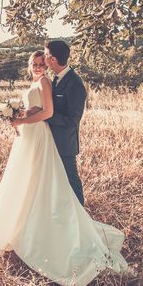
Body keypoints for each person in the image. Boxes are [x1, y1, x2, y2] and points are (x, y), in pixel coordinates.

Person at [0, 50, 128, 286]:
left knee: (43, 180)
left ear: (49, 63)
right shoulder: (39, 81)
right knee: (28, 179)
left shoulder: (44, 82)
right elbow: (37, 109)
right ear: (29, 64)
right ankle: (19, 219)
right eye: (36, 63)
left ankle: (54, 223)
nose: (40, 66)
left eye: (43, 63)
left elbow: (48, 113)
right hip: (29, 135)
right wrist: (19, 115)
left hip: (39, 134)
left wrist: (21, 119)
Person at [44, 40, 86, 205]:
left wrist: (45, 115)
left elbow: (72, 120)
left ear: (53, 59)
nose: (45, 59)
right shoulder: (55, 79)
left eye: (47, 55)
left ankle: (81, 215)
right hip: (50, 140)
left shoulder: (75, 84)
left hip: (65, 143)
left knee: (71, 179)